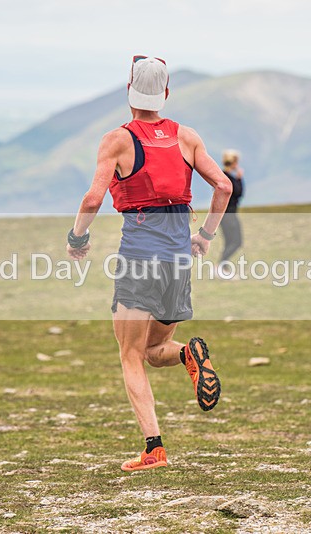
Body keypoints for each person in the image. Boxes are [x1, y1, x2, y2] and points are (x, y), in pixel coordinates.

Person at [66, 55, 233, 472]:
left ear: (129, 92)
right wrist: (206, 236)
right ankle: (189, 354)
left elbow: (92, 198)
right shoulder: (187, 137)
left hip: (139, 260)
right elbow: (224, 185)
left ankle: (153, 449)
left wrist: (77, 237)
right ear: (166, 94)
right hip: (179, 260)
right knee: (155, 348)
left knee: (129, 354)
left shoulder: (118, 140)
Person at [218, 149, 244, 278]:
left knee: (230, 242)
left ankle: (224, 268)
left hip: (225, 215)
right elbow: (238, 193)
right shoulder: (230, 178)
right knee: (236, 242)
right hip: (229, 215)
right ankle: (220, 267)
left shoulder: (222, 176)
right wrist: (239, 179)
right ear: (233, 162)